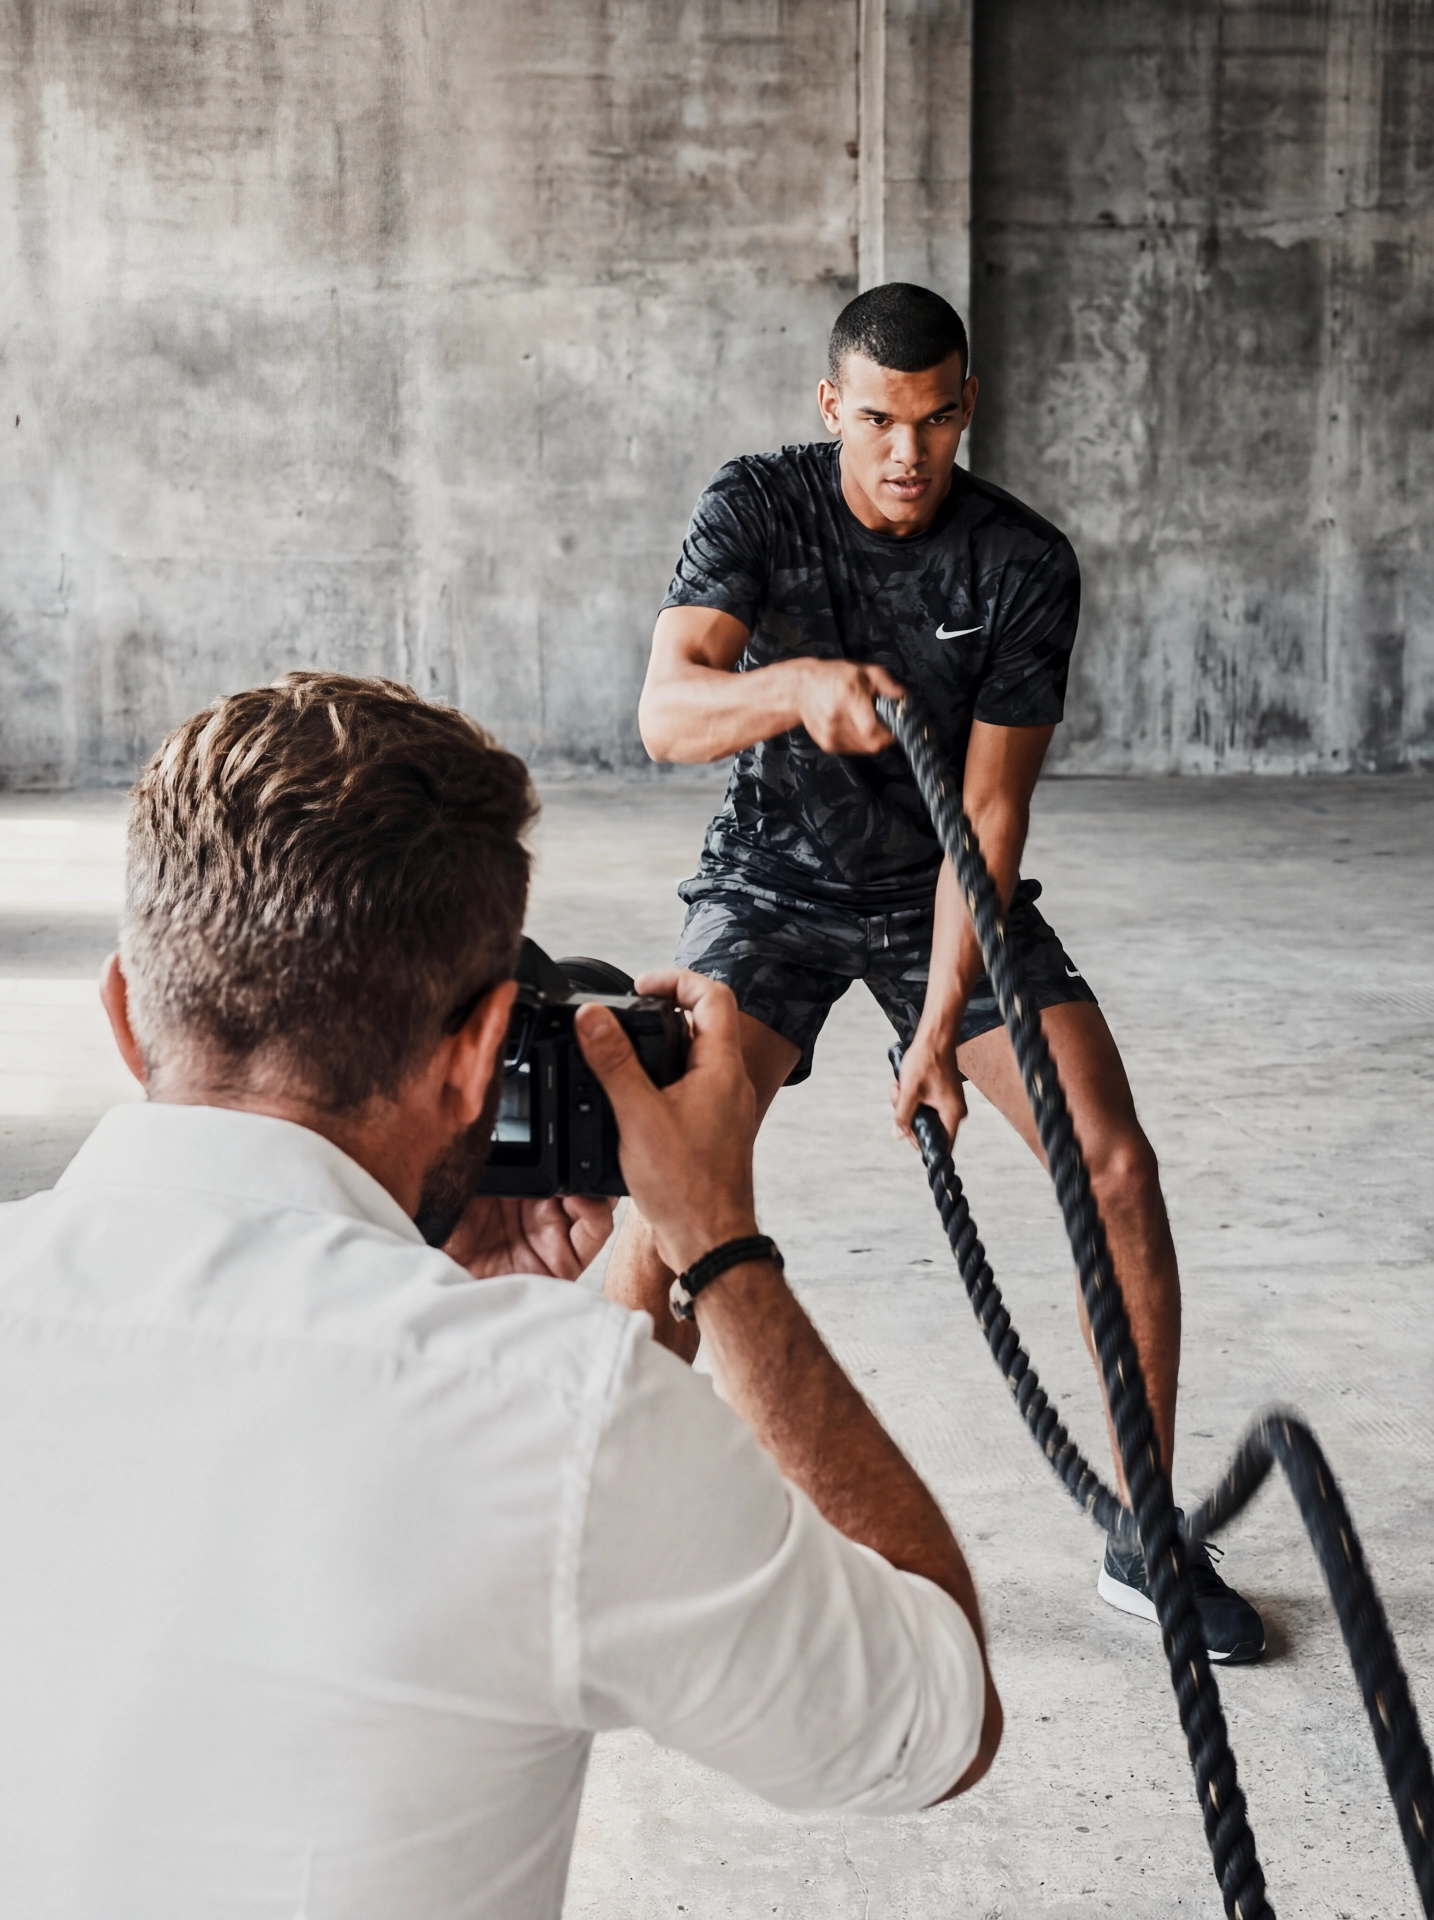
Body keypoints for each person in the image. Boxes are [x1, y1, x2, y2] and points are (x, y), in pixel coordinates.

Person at [0, 672, 1000, 1920]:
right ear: (479, 1053)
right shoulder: (558, 1409)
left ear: (123, 1016)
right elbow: (932, 1720)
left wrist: (445, 1289)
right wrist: (715, 1251)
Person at [605, 281, 1265, 1664]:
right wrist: (794, 687)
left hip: (941, 894)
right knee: (673, 1175)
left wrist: (940, 1023)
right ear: (830, 407)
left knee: (1113, 1164)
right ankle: (591, 1519)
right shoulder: (761, 507)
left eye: (938, 420)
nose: (908, 453)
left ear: (967, 408)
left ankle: (1144, 1535)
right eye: (881, 421)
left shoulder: (1021, 562)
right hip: (768, 885)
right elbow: (665, 713)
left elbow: (991, 820)